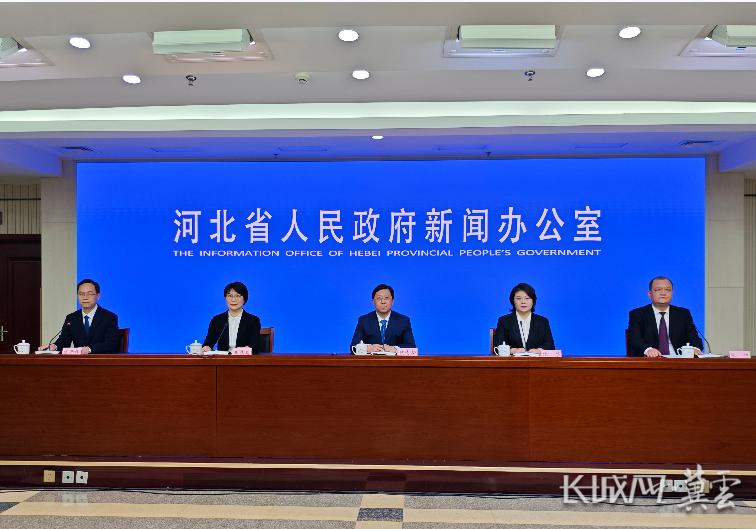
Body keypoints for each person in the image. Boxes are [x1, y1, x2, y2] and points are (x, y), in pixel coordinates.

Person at [38, 279, 119, 354]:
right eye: (81, 294)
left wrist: (88, 349)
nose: (85, 297)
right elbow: (64, 341)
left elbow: (110, 343)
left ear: (98, 296)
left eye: (90, 294)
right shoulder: (71, 318)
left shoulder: (109, 317)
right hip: (78, 361)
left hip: (101, 361)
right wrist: (54, 347)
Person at [628, 276, 703, 357]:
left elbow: (694, 339)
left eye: (667, 290)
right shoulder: (638, 314)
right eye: (658, 290)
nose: (663, 293)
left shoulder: (683, 314)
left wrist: (695, 348)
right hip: (651, 360)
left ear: (672, 292)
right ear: (650, 294)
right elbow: (634, 339)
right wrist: (648, 350)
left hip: (678, 360)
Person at [350, 284, 416, 353]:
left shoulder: (403, 321)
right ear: (373, 302)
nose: (383, 302)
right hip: (372, 360)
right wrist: (368, 348)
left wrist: (394, 349)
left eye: (386, 298)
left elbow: (412, 347)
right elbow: (353, 347)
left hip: (394, 360)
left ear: (392, 301)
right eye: (379, 298)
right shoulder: (364, 320)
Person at [494, 283, 555, 354]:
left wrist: (539, 351)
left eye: (527, 298)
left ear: (533, 301)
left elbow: (550, 346)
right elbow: (497, 346)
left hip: (536, 360)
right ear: (513, 301)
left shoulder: (542, 321)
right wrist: (513, 351)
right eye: (519, 298)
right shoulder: (504, 321)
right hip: (513, 360)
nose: (523, 302)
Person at [202, 282, 261, 353]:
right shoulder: (217, 320)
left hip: (244, 358)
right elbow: (208, 342)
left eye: (237, 296)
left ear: (244, 299)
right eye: (229, 296)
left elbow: (255, 345)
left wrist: (242, 350)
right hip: (223, 359)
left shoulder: (253, 321)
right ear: (225, 298)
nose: (233, 300)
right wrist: (206, 347)